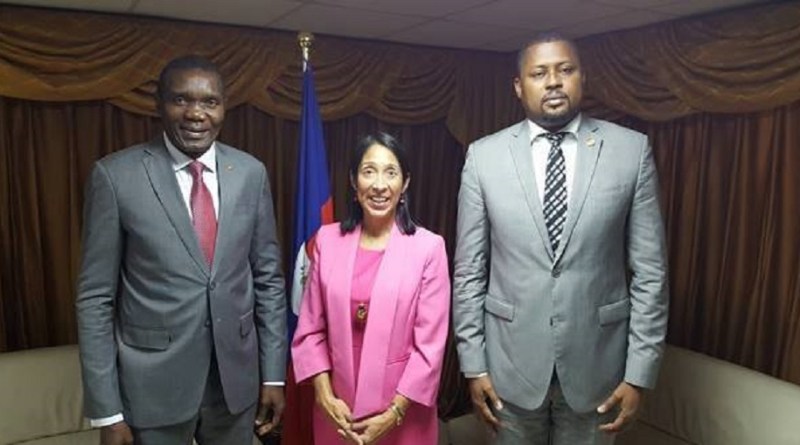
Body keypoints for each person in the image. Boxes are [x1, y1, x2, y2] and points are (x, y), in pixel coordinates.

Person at [452, 34, 669, 445]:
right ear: (519, 86)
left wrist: (639, 374)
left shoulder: (630, 151)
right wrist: (474, 366)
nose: (553, 81)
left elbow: (651, 273)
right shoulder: (483, 157)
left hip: (599, 372)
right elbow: (468, 273)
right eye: (539, 73)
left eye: (565, 70)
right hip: (508, 370)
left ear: (582, 78)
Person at [76, 55, 287, 445]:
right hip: (153, 390)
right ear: (159, 104)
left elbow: (268, 281)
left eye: (210, 102)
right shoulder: (115, 177)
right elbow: (95, 299)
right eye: (181, 100)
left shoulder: (250, 173)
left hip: (234, 387)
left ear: (223, 107)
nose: (196, 113)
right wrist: (107, 410)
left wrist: (273, 375)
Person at [291, 132, 451, 445]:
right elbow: (310, 330)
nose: (379, 185)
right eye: (369, 171)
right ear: (354, 181)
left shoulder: (428, 248)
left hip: (403, 414)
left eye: (390, 172)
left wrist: (394, 413)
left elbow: (430, 347)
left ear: (405, 183)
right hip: (338, 413)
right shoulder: (326, 241)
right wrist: (324, 396)